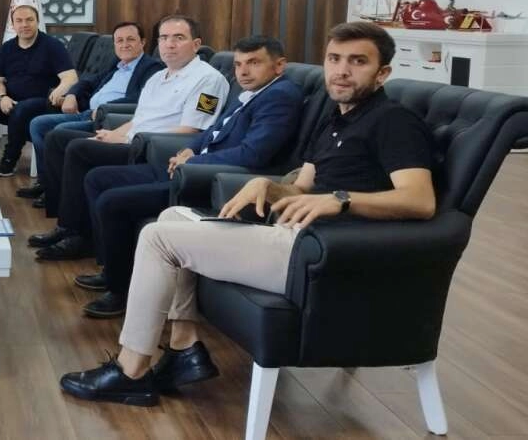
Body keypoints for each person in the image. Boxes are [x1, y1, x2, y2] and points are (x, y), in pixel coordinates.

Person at [59, 21, 436, 407]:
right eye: (334, 59)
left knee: (157, 237)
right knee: (172, 217)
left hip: (324, 251)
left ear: (382, 73)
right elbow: (302, 188)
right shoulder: (335, 120)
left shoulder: (393, 121)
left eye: (357, 62)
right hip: (296, 233)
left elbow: (420, 200)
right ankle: (183, 348)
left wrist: (341, 199)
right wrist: (268, 187)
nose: (341, 70)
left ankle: (131, 371)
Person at [69, 36, 301, 319]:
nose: (243, 71)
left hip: (204, 178)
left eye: (253, 63)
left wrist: (193, 160)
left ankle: (120, 291)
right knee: (98, 178)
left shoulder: (261, 92)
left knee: (112, 200)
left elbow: (248, 150)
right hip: (179, 160)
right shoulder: (165, 79)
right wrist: (188, 150)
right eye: (239, 64)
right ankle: (109, 267)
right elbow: (213, 131)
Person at [34, 15, 229, 259]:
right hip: (134, 141)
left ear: (196, 44)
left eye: (178, 38)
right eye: (164, 38)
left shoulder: (209, 80)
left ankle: (74, 233)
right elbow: (139, 119)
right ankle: (66, 225)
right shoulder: (158, 77)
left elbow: (192, 130)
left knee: (78, 149)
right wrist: (113, 134)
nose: (169, 44)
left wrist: (132, 138)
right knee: (59, 139)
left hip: (158, 151)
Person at [17, 21, 163, 206]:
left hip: (109, 119)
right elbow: (88, 81)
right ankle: (47, 183)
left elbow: (139, 99)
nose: (124, 44)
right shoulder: (118, 64)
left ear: (142, 42)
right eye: (119, 40)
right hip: (87, 111)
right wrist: (71, 95)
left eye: (130, 40)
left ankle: (56, 192)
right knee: (38, 124)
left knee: (60, 131)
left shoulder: (151, 68)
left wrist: (103, 110)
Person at [0, 4, 77, 176]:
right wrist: (2, 97)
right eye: (19, 21)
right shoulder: (7, 48)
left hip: (42, 104)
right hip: (10, 103)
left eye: (29, 20)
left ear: (37, 21)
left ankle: (10, 159)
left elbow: (71, 77)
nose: (24, 25)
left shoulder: (52, 46)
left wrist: (59, 91)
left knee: (22, 109)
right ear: (13, 25)